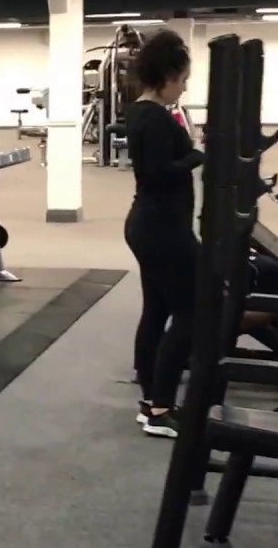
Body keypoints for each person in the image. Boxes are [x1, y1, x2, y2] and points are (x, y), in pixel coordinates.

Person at [123, 29, 203, 439]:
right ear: (167, 77)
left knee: (157, 310)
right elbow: (158, 173)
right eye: (182, 80)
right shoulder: (152, 117)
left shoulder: (145, 112)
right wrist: (198, 154)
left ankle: (151, 399)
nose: (184, 87)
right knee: (190, 314)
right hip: (161, 228)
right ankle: (160, 408)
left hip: (154, 224)